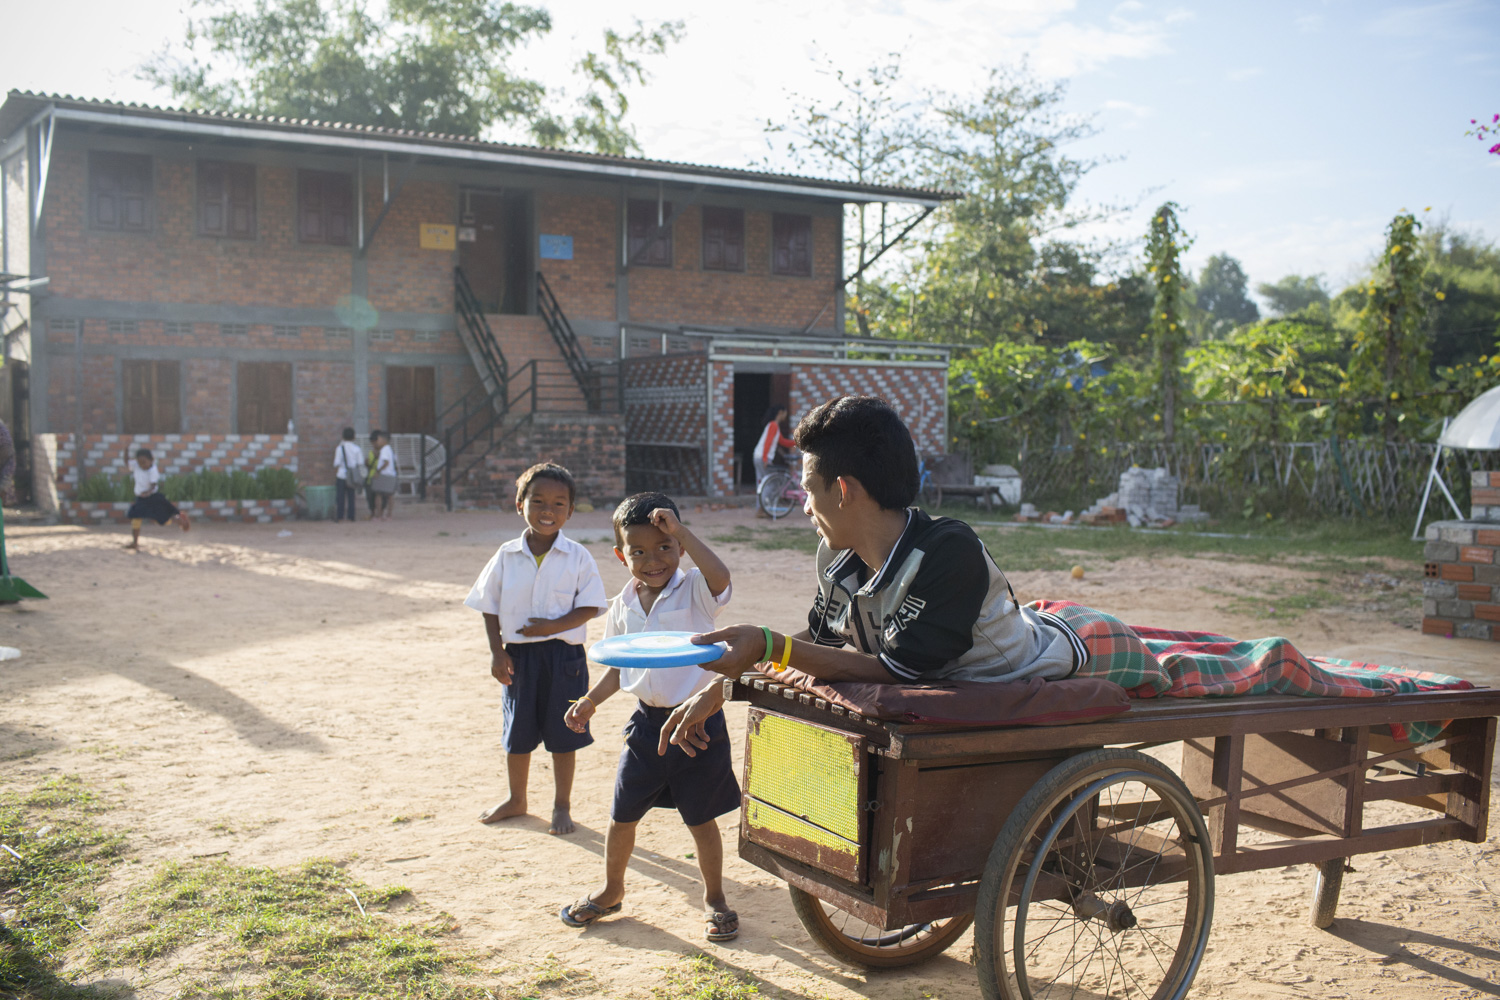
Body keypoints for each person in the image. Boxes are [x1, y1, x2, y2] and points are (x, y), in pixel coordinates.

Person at [660, 394, 1086, 755]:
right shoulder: (835, 554)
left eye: (809, 490)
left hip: (1028, 664)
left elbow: (897, 671)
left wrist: (766, 644)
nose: (805, 507)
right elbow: (820, 642)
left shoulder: (949, 552)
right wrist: (726, 683)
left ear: (844, 491)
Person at [558, 492, 740, 941]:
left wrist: (679, 530)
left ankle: (715, 898)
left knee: (700, 819)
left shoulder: (696, 588)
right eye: (638, 551)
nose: (653, 559)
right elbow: (618, 666)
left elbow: (721, 577)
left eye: (664, 547)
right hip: (645, 726)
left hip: (695, 724)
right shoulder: (623, 604)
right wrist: (589, 701)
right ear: (622, 556)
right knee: (622, 817)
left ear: (679, 548)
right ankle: (611, 890)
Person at [464, 462, 607, 835]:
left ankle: (562, 805)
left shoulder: (578, 556)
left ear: (571, 511)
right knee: (518, 732)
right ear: (519, 504)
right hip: (519, 658)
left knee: (565, 733)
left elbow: (591, 605)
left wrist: (551, 627)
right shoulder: (507, 555)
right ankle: (517, 799)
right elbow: (487, 603)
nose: (548, 510)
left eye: (559, 504)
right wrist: (497, 652)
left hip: (565, 659)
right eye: (538, 501)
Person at [125, 448, 191, 551]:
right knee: (135, 518)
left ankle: (180, 520)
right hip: (141, 499)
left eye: (144, 462)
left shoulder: (153, 470)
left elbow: (153, 485)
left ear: (151, 460)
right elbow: (126, 461)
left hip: (153, 498)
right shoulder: (136, 466)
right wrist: (126, 448)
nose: (142, 465)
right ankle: (135, 543)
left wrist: (147, 493)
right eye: (139, 462)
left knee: (164, 518)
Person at [752, 405, 796, 515]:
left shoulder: (773, 426)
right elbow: (768, 442)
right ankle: (762, 508)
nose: (786, 415)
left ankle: (761, 509)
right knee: (771, 484)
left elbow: (782, 442)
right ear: (780, 413)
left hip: (758, 456)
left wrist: (797, 442)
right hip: (762, 458)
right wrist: (765, 458)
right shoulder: (773, 426)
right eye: (785, 413)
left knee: (762, 484)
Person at [333, 427, 364, 524]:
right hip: (352, 476)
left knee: (340, 497)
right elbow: (360, 462)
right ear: (354, 437)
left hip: (341, 475)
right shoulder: (357, 449)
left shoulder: (339, 448)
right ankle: (351, 516)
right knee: (351, 496)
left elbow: (336, 463)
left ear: (343, 437)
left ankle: (340, 516)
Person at [369, 431, 397, 520]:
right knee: (390, 495)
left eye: (379, 439)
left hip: (384, 474)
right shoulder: (389, 449)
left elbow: (386, 462)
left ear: (384, 440)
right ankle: (389, 515)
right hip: (391, 474)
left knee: (378, 494)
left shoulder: (384, 449)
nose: (377, 442)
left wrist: (378, 471)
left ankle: (379, 515)